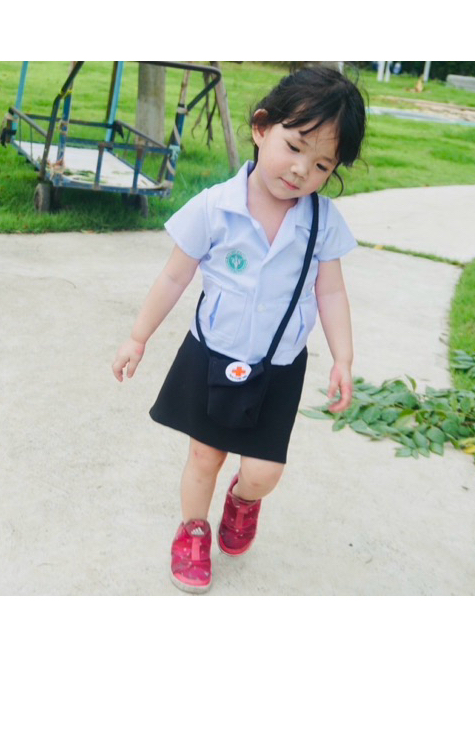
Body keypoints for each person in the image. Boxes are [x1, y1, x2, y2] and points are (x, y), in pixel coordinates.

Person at [112, 65, 367, 593]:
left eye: (322, 164)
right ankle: (193, 530)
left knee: (264, 471)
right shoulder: (215, 208)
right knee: (204, 456)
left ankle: (243, 500)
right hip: (212, 354)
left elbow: (331, 292)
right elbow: (174, 276)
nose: (301, 170)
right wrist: (138, 336)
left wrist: (343, 358)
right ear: (261, 127)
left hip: (279, 366)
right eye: (294, 147)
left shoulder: (322, 222)